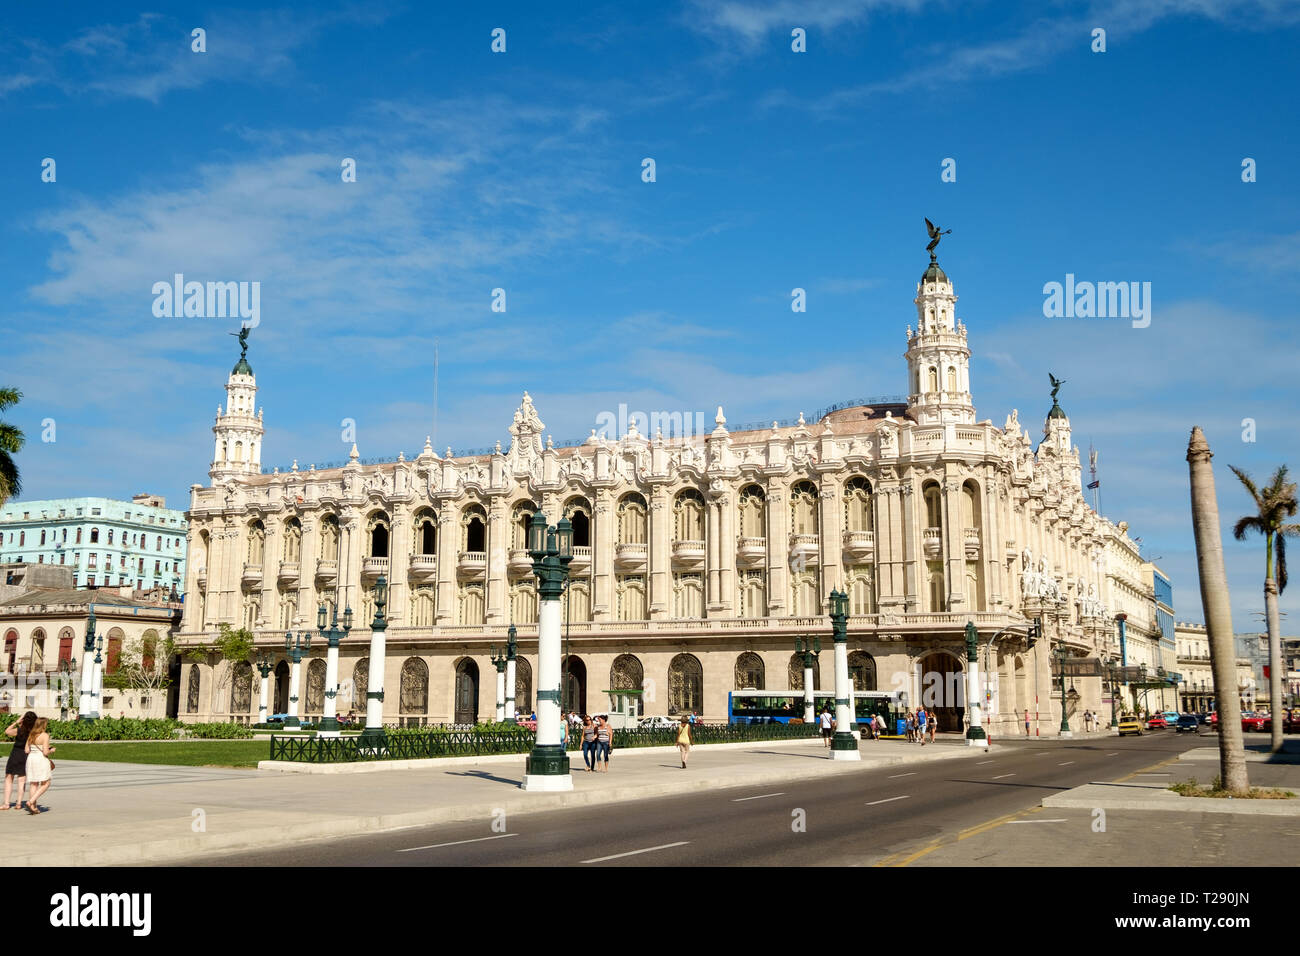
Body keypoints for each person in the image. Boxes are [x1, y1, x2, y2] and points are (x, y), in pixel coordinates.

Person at [3, 711, 36, 811]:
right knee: (22, 780)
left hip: (15, 754)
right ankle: (18, 803)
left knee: (9, 778)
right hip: (25, 755)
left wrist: (17, 722)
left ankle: (6, 803)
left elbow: (7, 731)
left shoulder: (19, 730)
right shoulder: (33, 732)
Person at [24, 717, 54, 815]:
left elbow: (26, 750)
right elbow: (45, 752)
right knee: (46, 783)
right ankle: (31, 801)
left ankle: (33, 807)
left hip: (31, 759)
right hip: (40, 759)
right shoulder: (45, 735)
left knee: (34, 783)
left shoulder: (31, 735)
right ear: (43, 725)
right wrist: (51, 750)